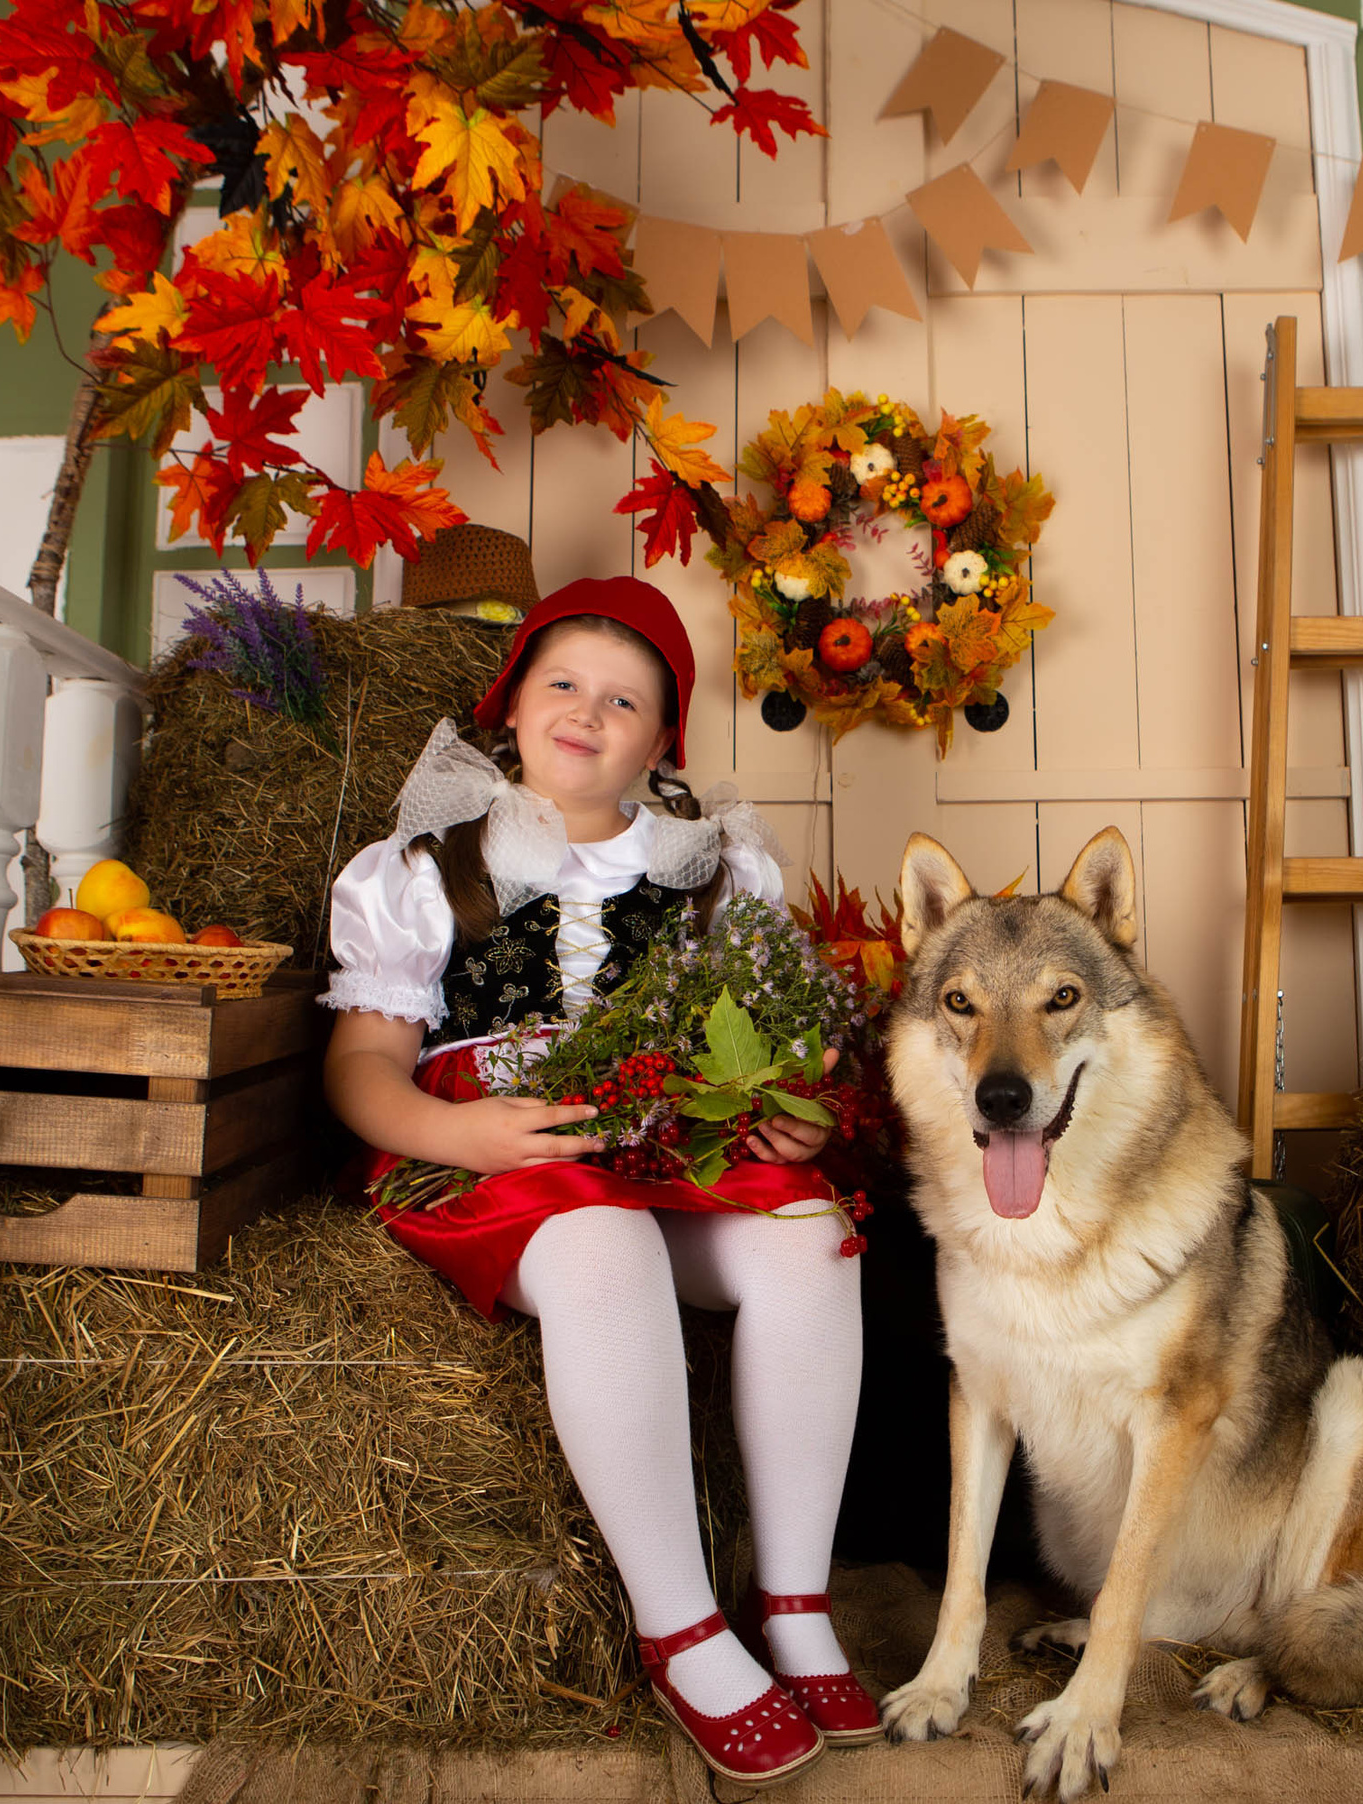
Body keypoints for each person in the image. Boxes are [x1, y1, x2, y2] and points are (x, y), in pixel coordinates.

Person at [320, 577, 871, 1785]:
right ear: (511, 703)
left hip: (668, 1136)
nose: (587, 711)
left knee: (813, 1236)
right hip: (503, 1150)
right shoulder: (427, 866)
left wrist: (786, 1104)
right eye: (562, 683)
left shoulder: (709, 867)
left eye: (625, 700)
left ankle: (793, 1598)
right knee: (600, 1242)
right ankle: (681, 1623)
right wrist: (456, 1134)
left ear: (662, 740)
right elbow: (361, 1066)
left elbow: (774, 1038)